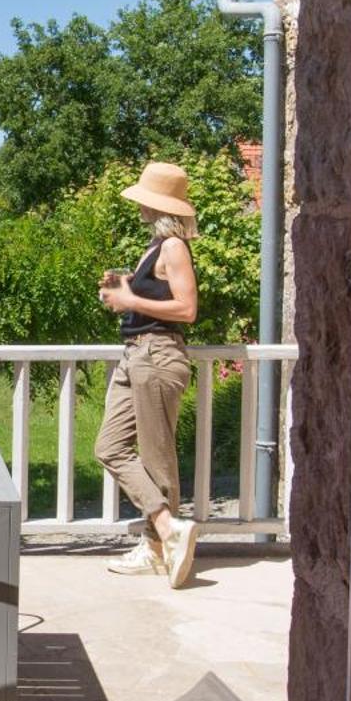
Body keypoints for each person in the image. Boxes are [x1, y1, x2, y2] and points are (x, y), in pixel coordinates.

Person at [94, 161, 202, 587]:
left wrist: (128, 300)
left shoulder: (174, 246)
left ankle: (160, 547)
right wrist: (124, 285)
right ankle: (166, 529)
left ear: (158, 206)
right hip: (136, 356)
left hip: (157, 355)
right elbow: (152, 293)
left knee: (158, 459)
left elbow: (186, 309)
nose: (138, 205)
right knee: (109, 446)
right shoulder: (154, 247)